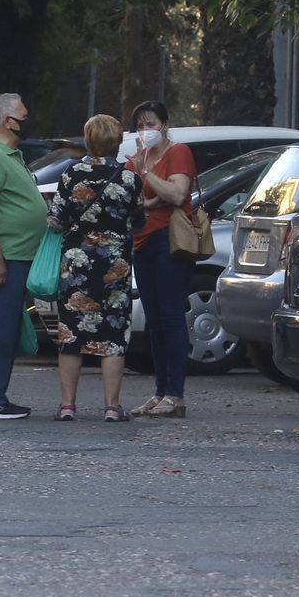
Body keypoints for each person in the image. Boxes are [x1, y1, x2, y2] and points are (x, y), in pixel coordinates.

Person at [48, 114, 143, 422]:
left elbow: (56, 219)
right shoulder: (130, 178)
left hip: (76, 266)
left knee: (71, 334)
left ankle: (67, 406)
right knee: (113, 334)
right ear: (117, 143)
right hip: (114, 264)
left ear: (88, 141)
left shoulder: (71, 174)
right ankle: (112, 407)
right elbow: (139, 221)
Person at [0, 92, 47, 420]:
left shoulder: (9, 153)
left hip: (20, 254)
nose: (27, 121)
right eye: (23, 115)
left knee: (8, 327)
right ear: (7, 121)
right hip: (6, 257)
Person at [124, 100, 196, 417]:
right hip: (142, 242)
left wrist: (147, 177)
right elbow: (131, 199)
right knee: (153, 321)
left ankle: (175, 395)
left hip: (170, 238)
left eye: (150, 124)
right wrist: (148, 195)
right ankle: (160, 392)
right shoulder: (137, 158)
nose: (145, 130)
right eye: (140, 125)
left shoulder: (177, 152)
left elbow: (178, 195)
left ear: (164, 125)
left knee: (170, 315)